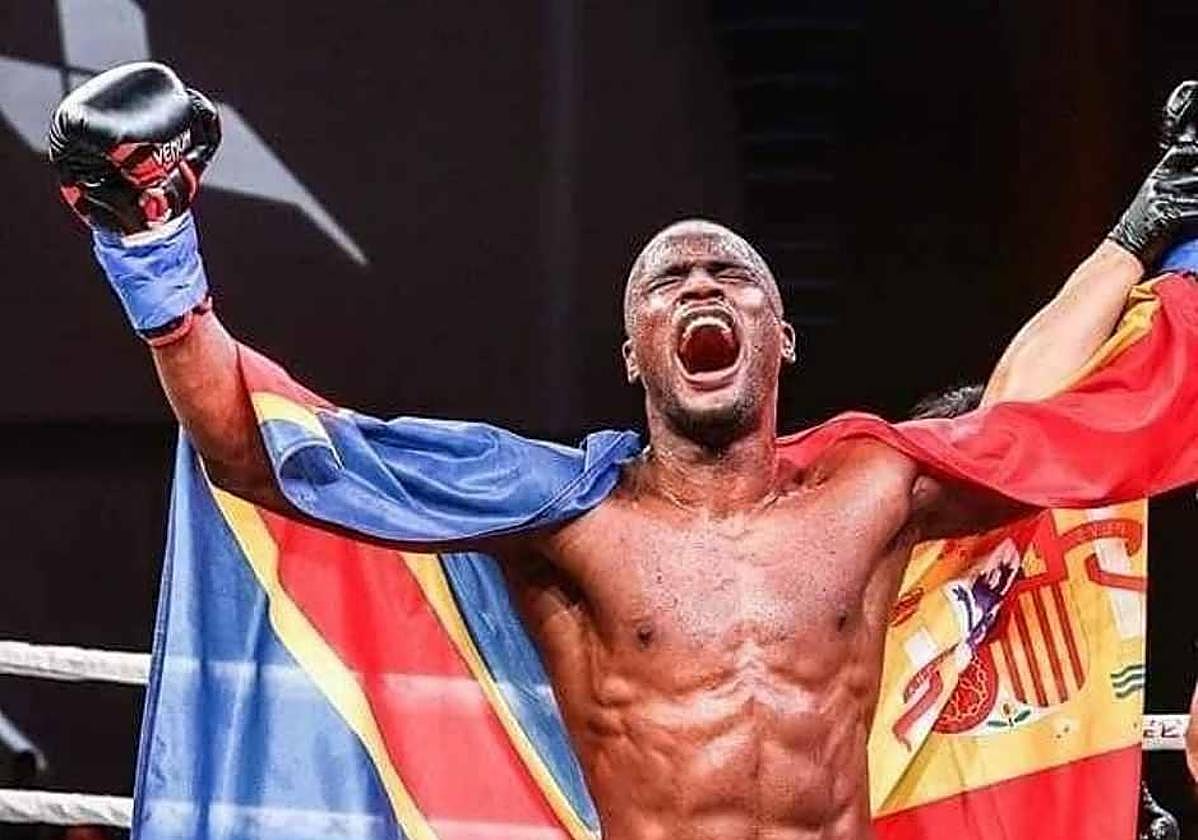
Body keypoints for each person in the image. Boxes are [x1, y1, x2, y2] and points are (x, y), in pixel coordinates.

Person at [47, 63, 1198, 840]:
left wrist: (1153, 225)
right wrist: (150, 243)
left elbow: (1052, 428)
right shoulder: (562, 513)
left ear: (781, 337)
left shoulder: (871, 491)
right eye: (667, 280)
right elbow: (265, 449)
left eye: (731, 273)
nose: (701, 284)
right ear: (632, 352)